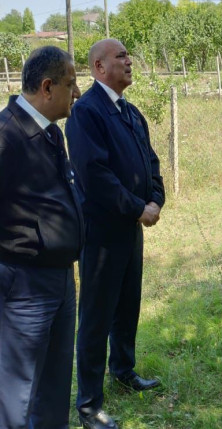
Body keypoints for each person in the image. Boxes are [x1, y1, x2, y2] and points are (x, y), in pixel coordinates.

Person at [66, 39, 165, 429]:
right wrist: (137, 207)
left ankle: (123, 370)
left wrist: (156, 198)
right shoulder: (87, 113)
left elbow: (151, 160)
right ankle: (89, 404)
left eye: (128, 54)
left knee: (128, 304)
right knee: (96, 315)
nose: (129, 60)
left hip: (131, 229)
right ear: (98, 67)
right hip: (103, 233)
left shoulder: (130, 111)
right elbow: (96, 176)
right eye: (120, 56)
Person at [0, 46, 83, 428]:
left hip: (61, 278)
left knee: (53, 388)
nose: (78, 92)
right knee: (17, 398)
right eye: (71, 83)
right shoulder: (7, 136)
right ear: (47, 87)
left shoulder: (51, 133)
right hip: (25, 287)